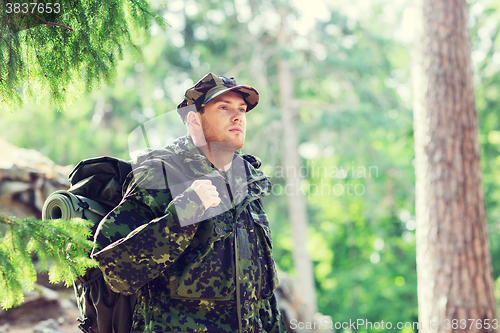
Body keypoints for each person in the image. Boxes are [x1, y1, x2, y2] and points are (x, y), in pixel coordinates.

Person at [91, 73, 288, 333]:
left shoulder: (248, 182)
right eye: (224, 108)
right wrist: (185, 212)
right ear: (194, 119)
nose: (238, 116)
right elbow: (117, 272)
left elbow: (260, 294)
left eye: (241, 109)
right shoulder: (159, 174)